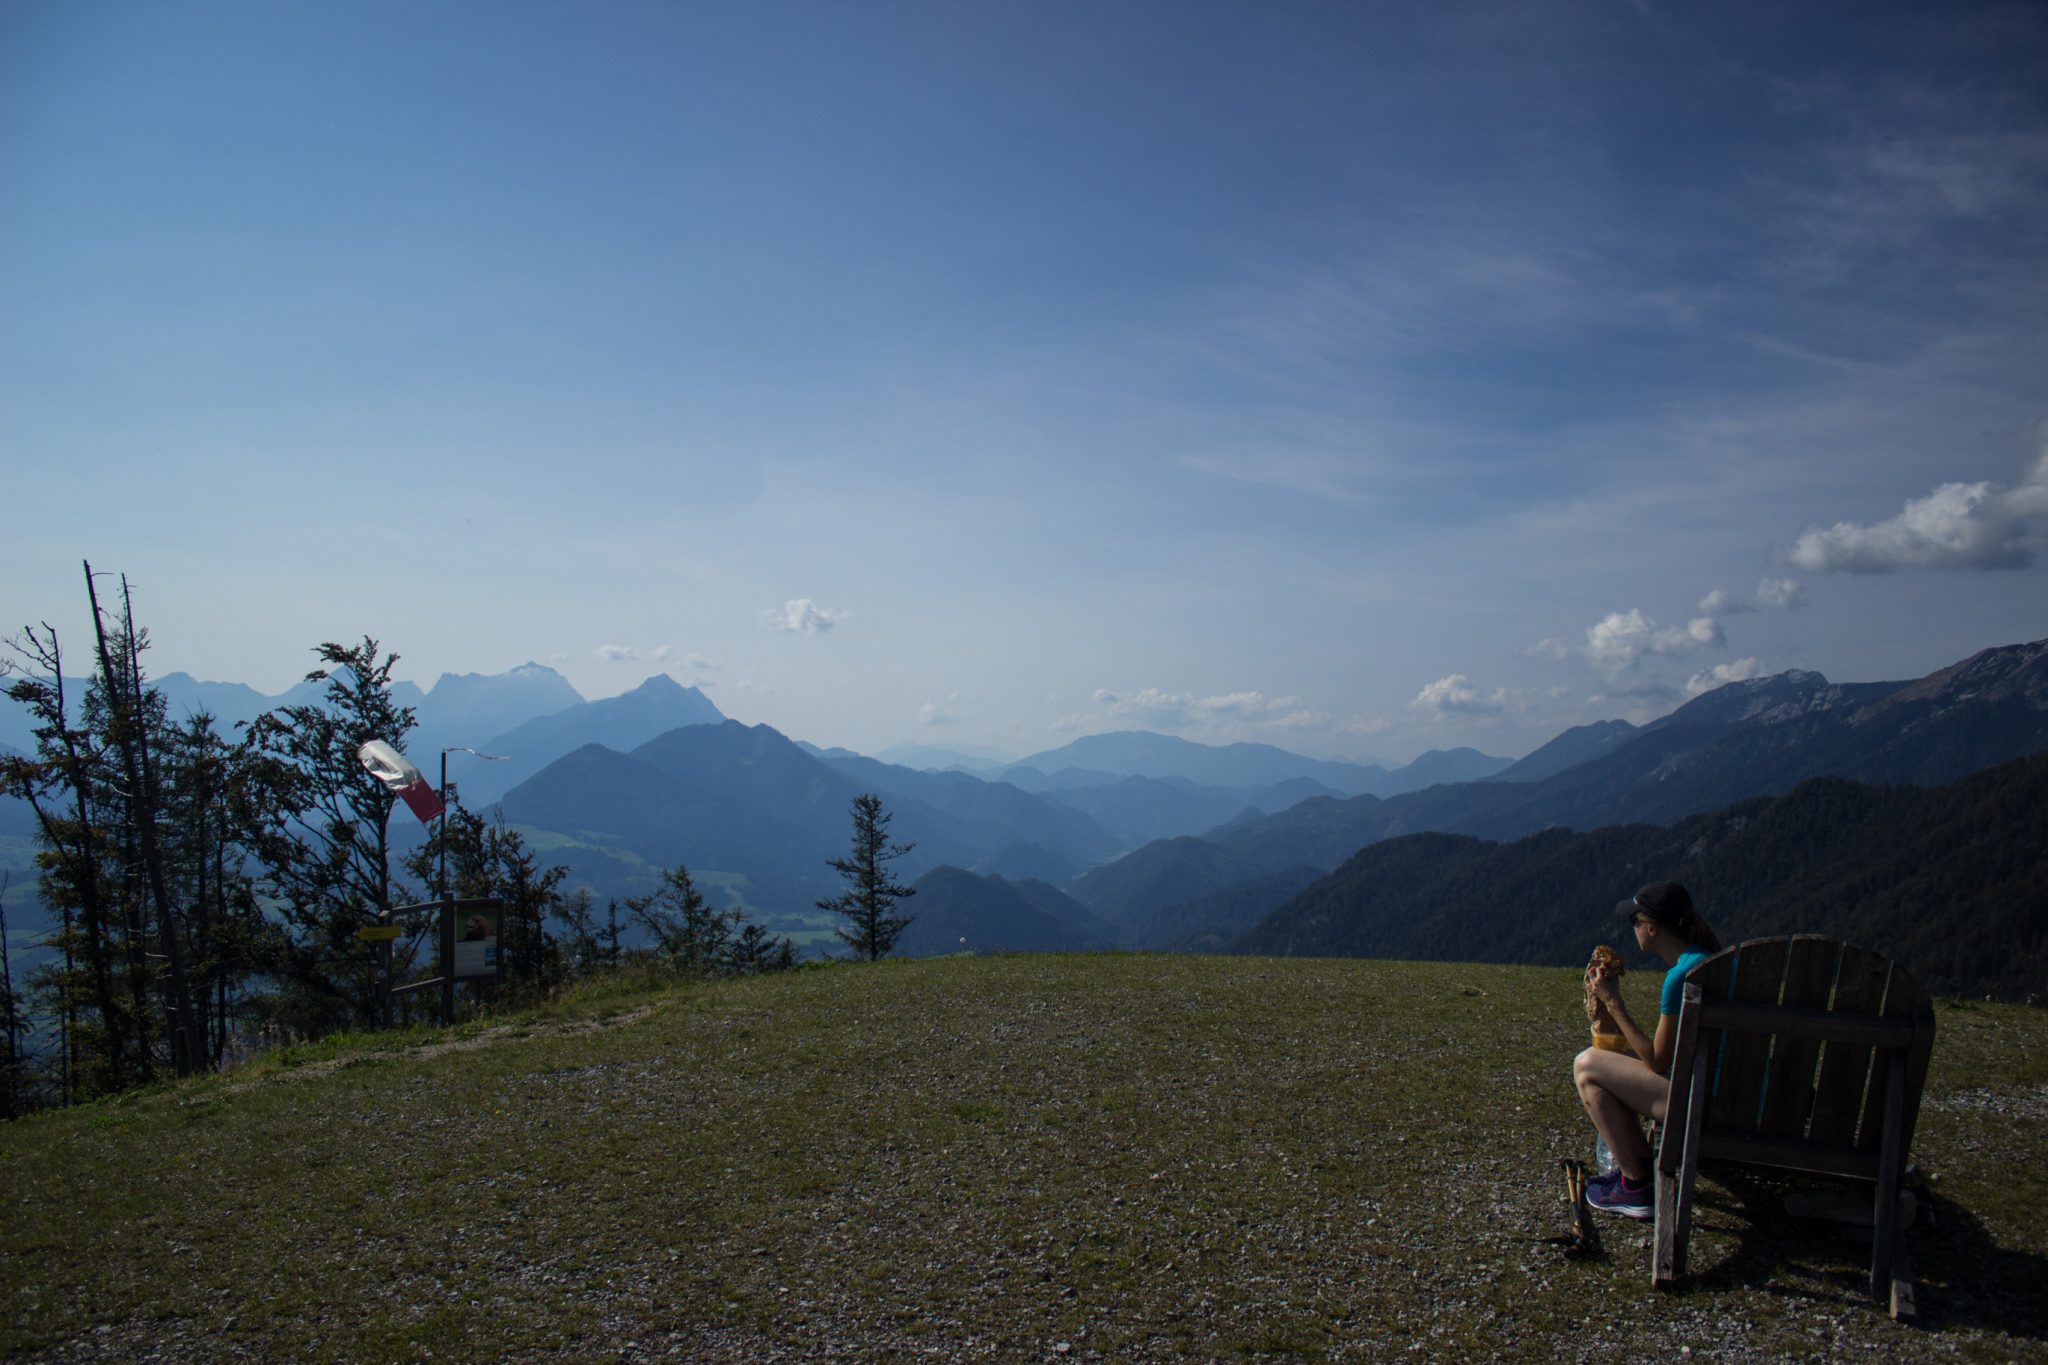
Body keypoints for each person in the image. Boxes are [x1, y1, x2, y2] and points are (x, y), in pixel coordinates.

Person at [1572, 881, 1723, 1219]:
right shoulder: (1715, 962)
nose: (1634, 928)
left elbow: (1657, 1060)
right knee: (1607, 1064)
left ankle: (1636, 1185)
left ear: (1653, 928)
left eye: (1635, 922)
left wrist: (1612, 1001)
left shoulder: (1682, 976)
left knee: (1586, 1066)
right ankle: (1638, 1170)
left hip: (1703, 1105)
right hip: (1735, 1097)